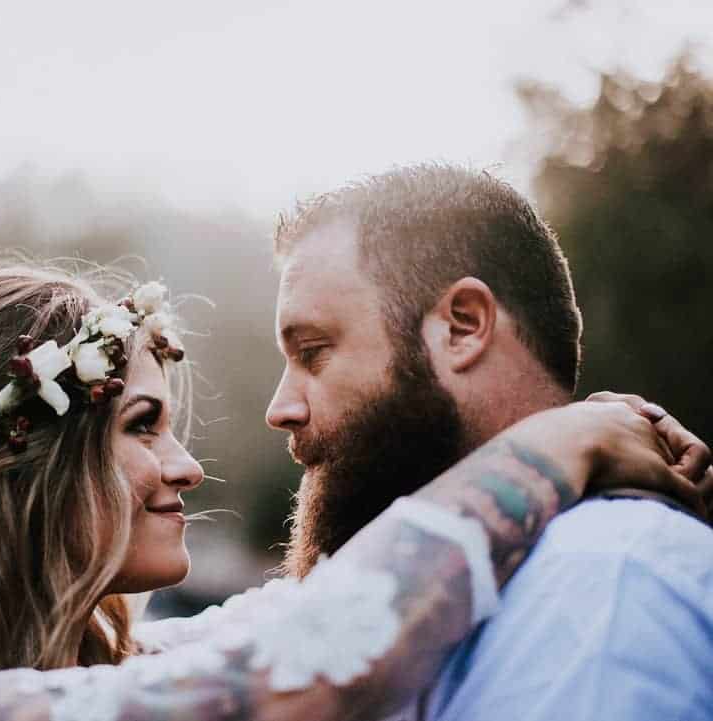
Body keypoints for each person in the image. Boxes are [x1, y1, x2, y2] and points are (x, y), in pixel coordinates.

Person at [0, 262, 704, 721]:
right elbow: (322, 663)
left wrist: (595, 424)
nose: (187, 466)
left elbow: (353, 596)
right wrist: (555, 444)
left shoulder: (150, 664)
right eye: (142, 424)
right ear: (24, 467)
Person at [265, 163, 713, 720]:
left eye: (312, 352)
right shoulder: (353, 612)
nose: (279, 409)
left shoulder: (605, 585)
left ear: (463, 326)